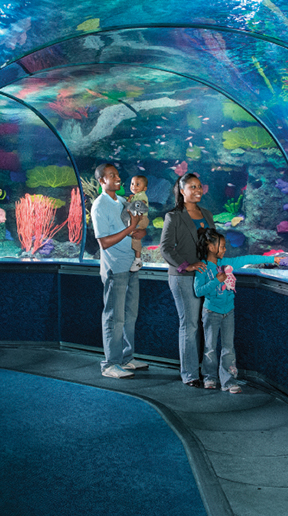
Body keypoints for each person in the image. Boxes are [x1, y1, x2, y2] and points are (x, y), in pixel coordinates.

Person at [193, 227, 277, 393]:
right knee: (210, 347)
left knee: (228, 348)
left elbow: (246, 258)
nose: (225, 249)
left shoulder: (226, 264)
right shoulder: (202, 268)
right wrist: (217, 281)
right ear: (211, 247)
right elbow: (198, 291)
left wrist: (273, 259)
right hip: (211, 312)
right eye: (222, 246)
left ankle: (229, 380)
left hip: (228, 311)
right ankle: (209, 377)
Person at [90, 163, 148, 379]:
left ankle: (126, 357)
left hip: (131, 264)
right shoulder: (99, 206)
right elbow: (104, 242)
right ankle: (109, 364)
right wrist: (131, 229)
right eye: (111, 175)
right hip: (115, 267)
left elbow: (134, 227)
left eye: (117, 174)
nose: (117, 178)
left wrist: (138, 232)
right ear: (101, 181)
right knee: (114, 317)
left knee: (129, 315)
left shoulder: (123, 201)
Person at [159, 172, 214, 387]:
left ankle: (205, 370)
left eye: (199, 186)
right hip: (183, 278)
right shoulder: (173, 216)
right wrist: (186, 266)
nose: (198, 190)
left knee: (205, 324)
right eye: (192, 187)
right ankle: (190, 374)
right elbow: (165, 248)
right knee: (189, 325)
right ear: (182, 191)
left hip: (206, 277)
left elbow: (213, 245)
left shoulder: (207, 215)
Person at [126, 174, 151, 271]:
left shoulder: (142, 195)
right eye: (132, 184)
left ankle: (137, 260)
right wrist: (129, 200)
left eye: (137, 184)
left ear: (144, 188)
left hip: (141, 219)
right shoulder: (135, 196)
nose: (133, 186)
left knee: (135, 236)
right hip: (136, 218)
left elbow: (142, 204)